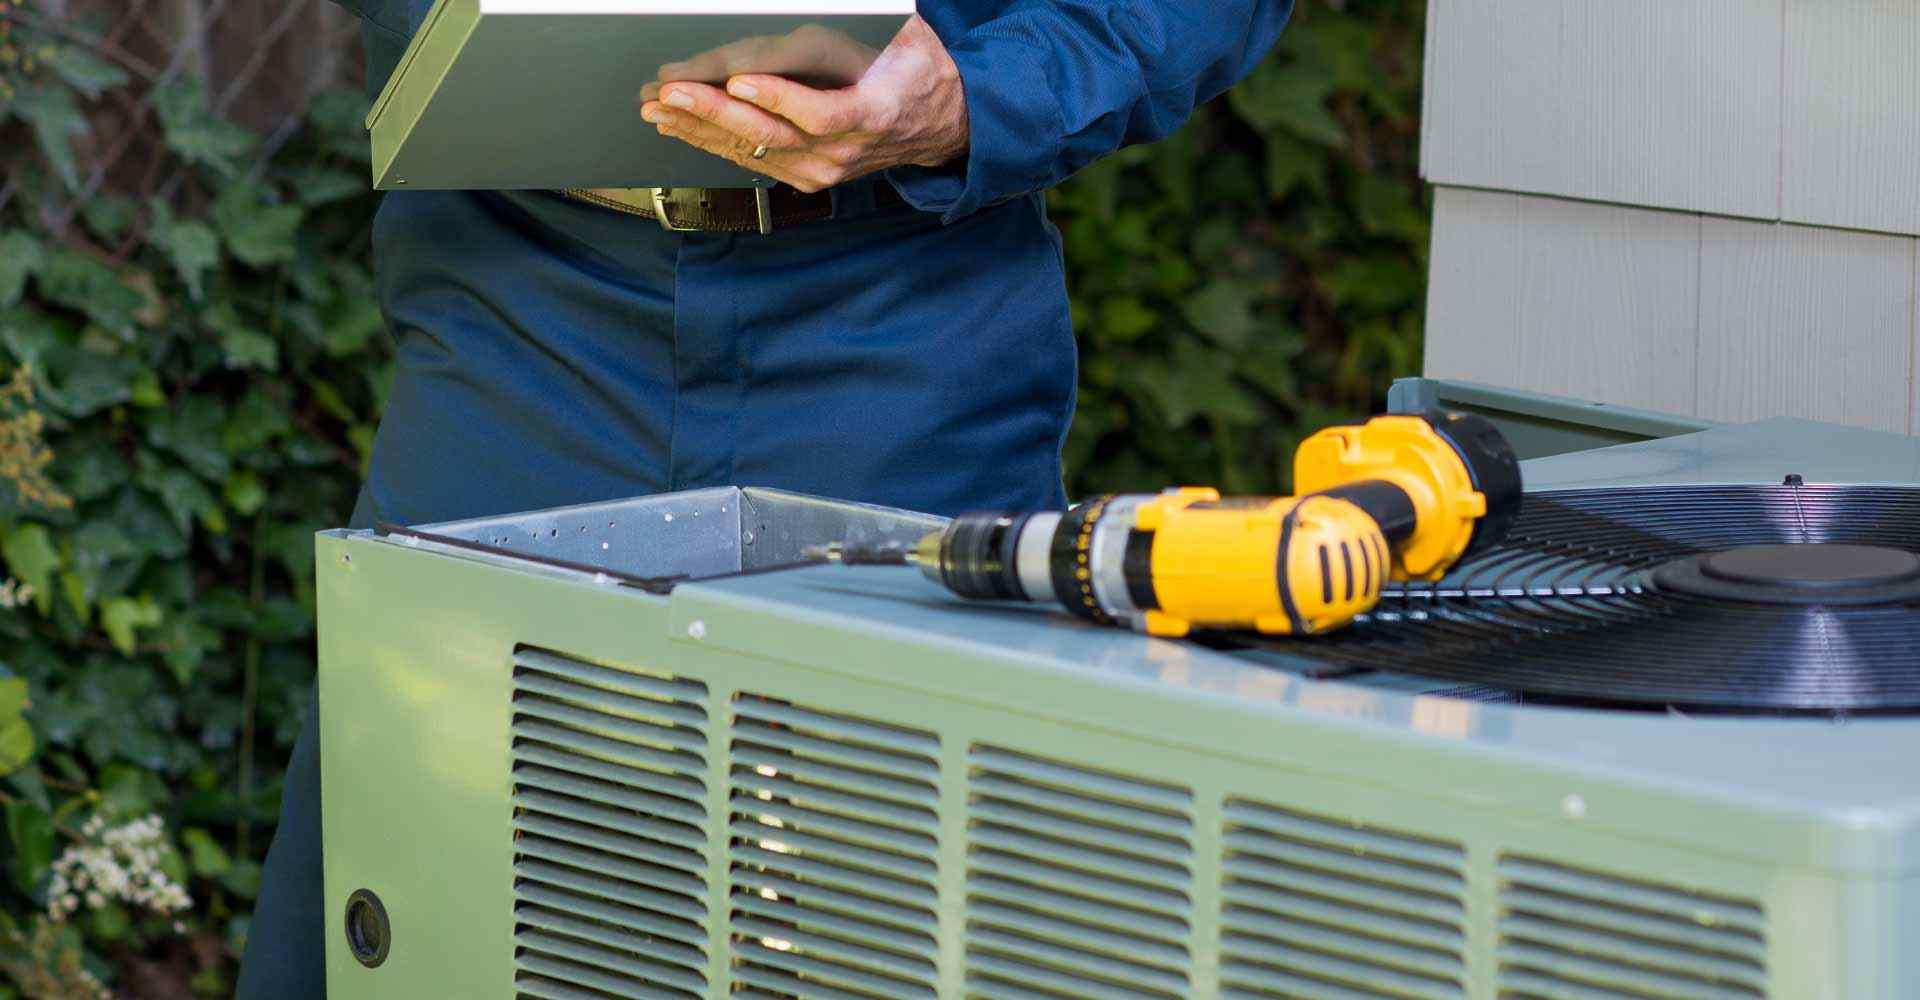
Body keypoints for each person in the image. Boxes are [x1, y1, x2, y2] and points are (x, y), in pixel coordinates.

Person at [234, 0, 1296, 994]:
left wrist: (978, 95)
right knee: (392, 873)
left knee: (914, 891)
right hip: (527, 301)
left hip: (906, 315)